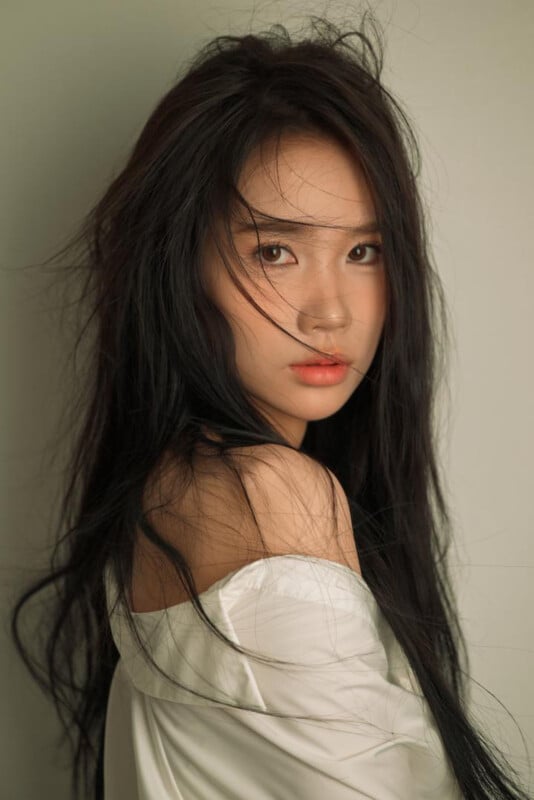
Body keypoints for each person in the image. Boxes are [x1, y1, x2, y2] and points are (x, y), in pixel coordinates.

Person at [10, 14, 529, 800]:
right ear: (179, 269)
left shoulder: (173, 485)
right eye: (275, 251)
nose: (332, 312)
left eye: (364, 251)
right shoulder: (264, 497)